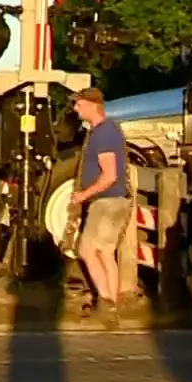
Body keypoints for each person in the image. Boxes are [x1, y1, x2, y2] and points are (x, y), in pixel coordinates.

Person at [68, 87, 131, 314]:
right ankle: (111, 306)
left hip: (105, 202)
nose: (75, 108)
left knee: (86, 251)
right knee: (105, 252)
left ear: (94, 105)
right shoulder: (109, 129)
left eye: (79, 104)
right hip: (118, 201)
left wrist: (83, 195)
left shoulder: (103, 134)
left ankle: (106, 301)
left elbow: (110, 175)